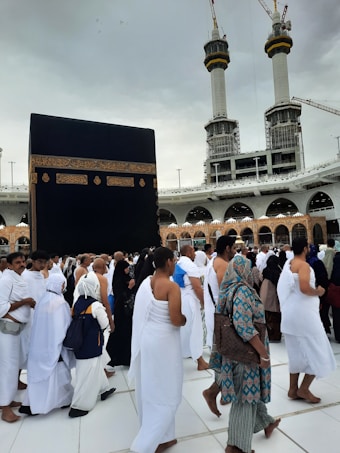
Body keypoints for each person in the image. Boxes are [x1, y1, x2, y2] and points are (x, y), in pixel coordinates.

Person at [212, 255, 280, 453]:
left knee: (250, 394)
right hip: (245, 356)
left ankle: (266, 423)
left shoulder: (229, 288)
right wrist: (263, 354)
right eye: (248, 269)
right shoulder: (242, 291)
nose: (251, 273)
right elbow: (243, 326)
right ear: (242, 271)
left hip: (237, 353)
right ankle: (236, 447)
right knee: (245, 399)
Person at [128, 247, 186, 453]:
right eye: (175, 261)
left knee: (152, 387)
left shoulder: (147, 283)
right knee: (168, 390)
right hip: (164, 343)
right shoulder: (171, 287)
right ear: (169, 261)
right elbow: (176, 319)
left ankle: (165, 437)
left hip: (148, 340)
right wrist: (185, 318)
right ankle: (145, 444)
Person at [277, 237, 336, 403]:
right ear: (305, 249)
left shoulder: (289, 265)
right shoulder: (303, 265)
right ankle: (303, 389)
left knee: (296, 351)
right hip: (304, 315)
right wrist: (319, 291)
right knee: (319, 349)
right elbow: (304, 288)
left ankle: (293, 389)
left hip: (291, 314)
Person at [19, 273, 75, 415]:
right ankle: (63, 400)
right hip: (54, 346)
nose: (64, 287)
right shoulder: (60, 303)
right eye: (62, 284)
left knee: (41, 376)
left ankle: (32, 404)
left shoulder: (43, 299)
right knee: (59, 374)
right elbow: (64, 325)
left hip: (39, 346)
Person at [69, 272, 115, 418]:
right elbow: (105, 324)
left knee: (93, 367)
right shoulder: (95, 305)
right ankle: (79, 405)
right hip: (92, 344)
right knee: (87, 374)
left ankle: (104, 389)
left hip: (80, 344)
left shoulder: (77, 303)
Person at [0, 252, 36, 423]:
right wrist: (25, 302)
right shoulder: (6, 280)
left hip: (19, 329)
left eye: (23, 261)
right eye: (17, 262)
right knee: (7, 368)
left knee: (14, 366)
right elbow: (2, 307)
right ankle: (4, 408)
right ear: (9, 265)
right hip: (8, 329)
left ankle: (8, 399)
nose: (22, 264)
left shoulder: (18, 278)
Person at [203, 235, 236, 417]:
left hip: (215, 315)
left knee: (226, 356)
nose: (235, 251)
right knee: (229, 357)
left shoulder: (213, 262)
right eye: (233, 248)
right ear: (227, 248)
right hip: (222, 317)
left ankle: (223, 393)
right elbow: (227, 293)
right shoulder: (222, 265)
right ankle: (214, 392)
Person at [175, 245, 209, 370]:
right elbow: (197, 287)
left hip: (180, 299)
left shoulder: (178, 262)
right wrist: (204, 303)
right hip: (190, 300)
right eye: (193, 251)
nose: (195, 253)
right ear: (189, 252)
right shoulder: (190, 265)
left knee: (185, 329)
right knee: (195, 330)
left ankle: (188, 353)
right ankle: (200, 361)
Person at [106, 259, 135, 367]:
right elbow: (121, 296)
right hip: (121, 311)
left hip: (128, 312)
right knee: (121, 332)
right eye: (126, 268)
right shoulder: (118, 280)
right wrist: (129, 287)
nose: (128, 270)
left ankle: (127, 358)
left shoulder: (126, 278)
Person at [306, 244, 330, 334]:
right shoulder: (315, 262)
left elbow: (322, 279)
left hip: (314, 291)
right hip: (314, 291)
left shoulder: (311, 262)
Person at [260, 255, 282, 342]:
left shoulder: (265, 271)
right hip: (273, 294)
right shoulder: (277, 272)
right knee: (275, 315)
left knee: (267, 315)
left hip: (264, 292)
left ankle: (268, 334)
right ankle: (275, 335)